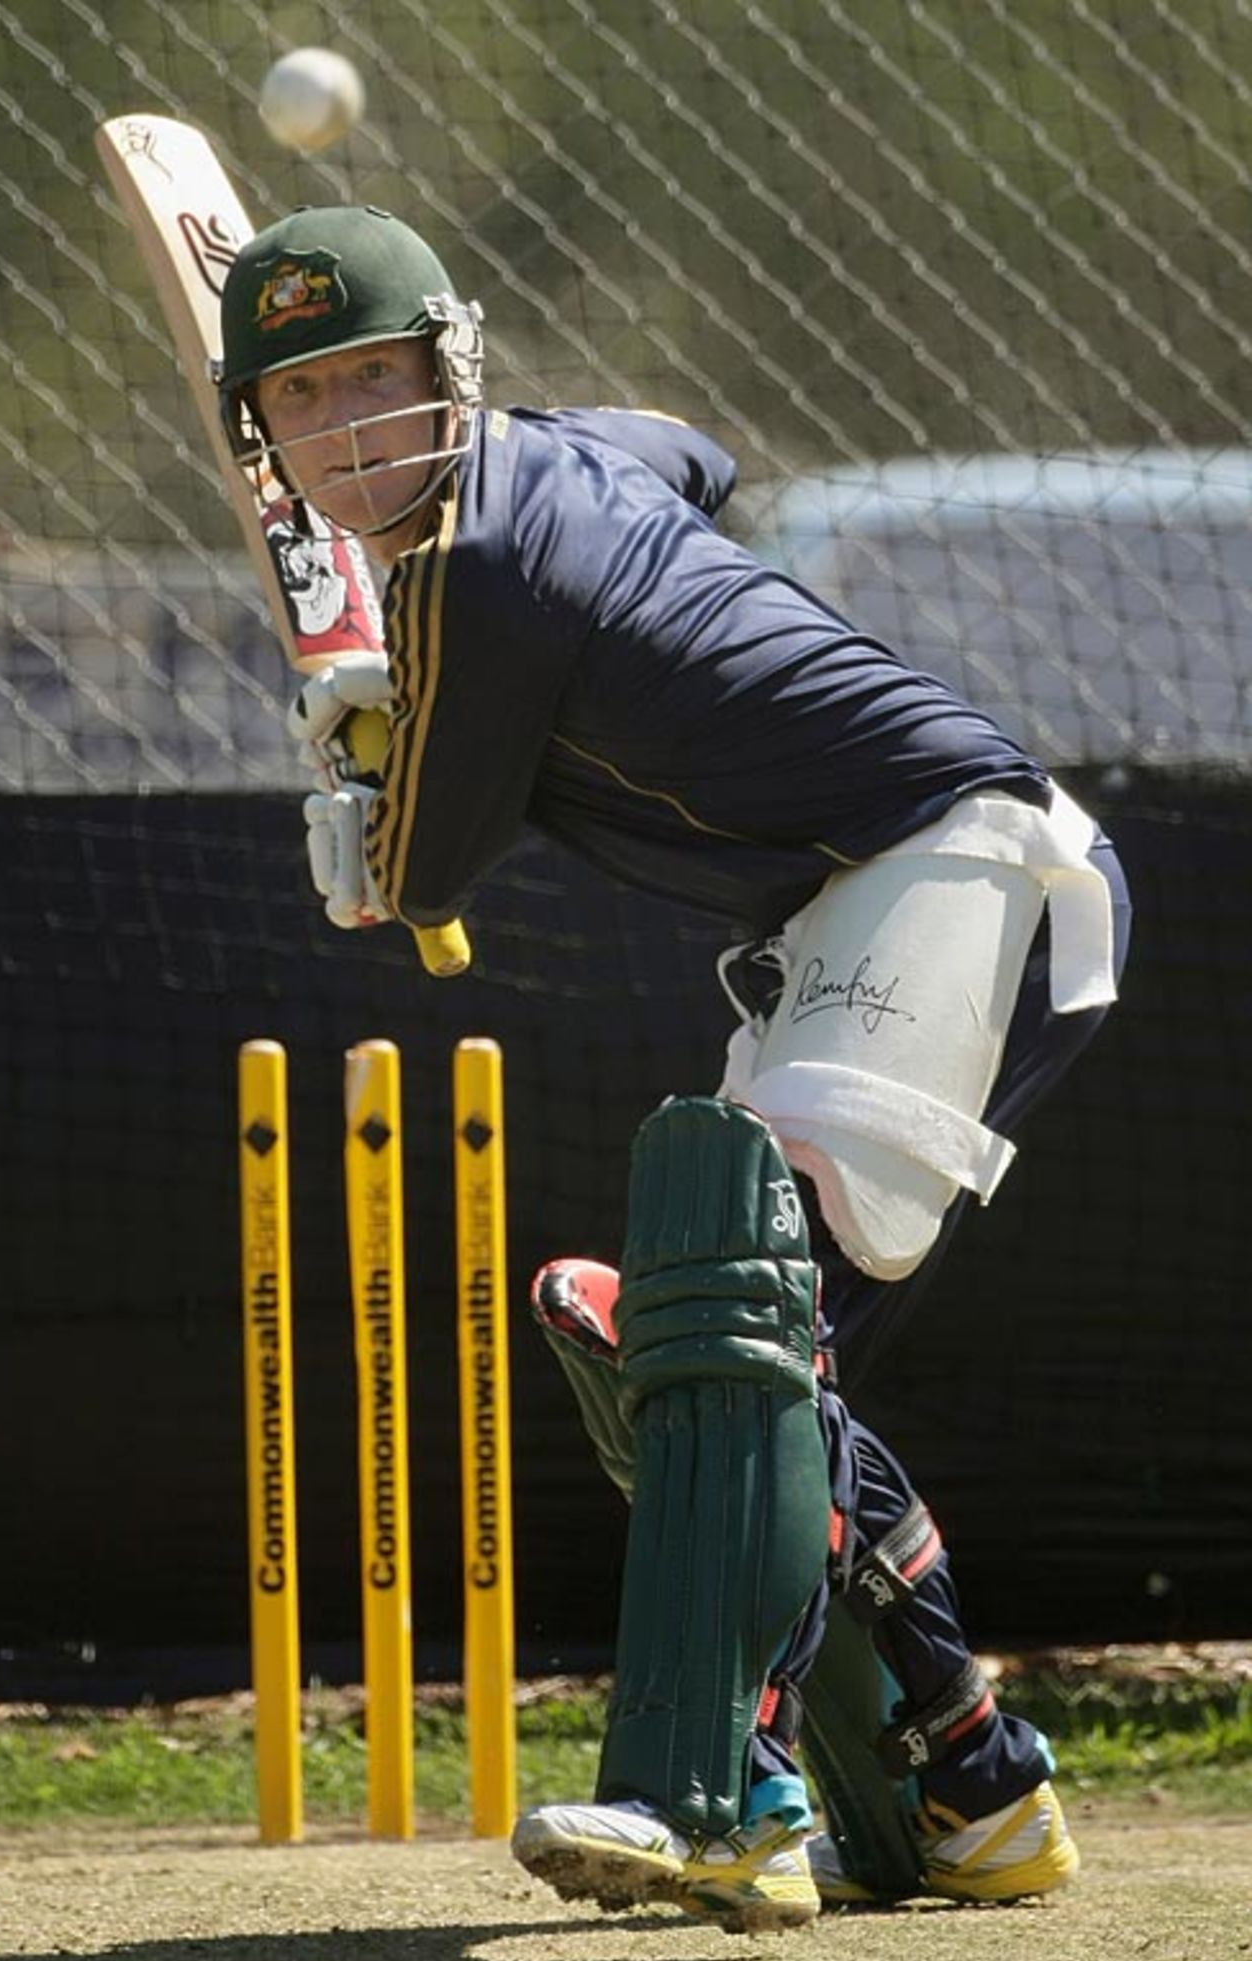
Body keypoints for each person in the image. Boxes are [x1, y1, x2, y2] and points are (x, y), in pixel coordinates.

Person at [216, 205, 1131, 1934]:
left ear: (447, 367)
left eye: (374, 377)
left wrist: (362, 778)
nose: (347, 427)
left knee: (722, 1322)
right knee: (751, 1353)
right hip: (861, 910)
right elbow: (689, 450)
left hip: (962, 863)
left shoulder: (480, 572)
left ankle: (721, 1795)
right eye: (304, 397)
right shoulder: (567, 463)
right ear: (261, 433)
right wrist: (396, 689)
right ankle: (975, 1780)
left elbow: (413, 876)